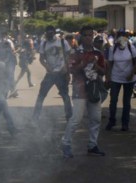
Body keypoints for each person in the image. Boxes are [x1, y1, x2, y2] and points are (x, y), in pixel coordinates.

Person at [61, 26, 106, 158]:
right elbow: (71, 70)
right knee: (76, 119)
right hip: (79, 89)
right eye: (86, 35)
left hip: (94, 89)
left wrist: (96, 65)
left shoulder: (98, 53)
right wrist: (84, 63)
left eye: (91, 35)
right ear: (81, 37)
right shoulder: (76, 52)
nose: (89, 38)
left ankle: (92, 145)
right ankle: (66, 144)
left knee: (96, 119)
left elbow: (103, 71)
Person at [31, 25, 73, 122]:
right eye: (47, 32)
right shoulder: (44, 43)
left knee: (65, 96)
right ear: (46, 33)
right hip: (50, 74)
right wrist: (47, 67)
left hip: (61, 73)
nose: (49, 34)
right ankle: (35, 117)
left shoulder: (62, 41)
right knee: (41, 95)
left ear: (54, 32)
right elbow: (41, 59)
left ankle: (69, 117)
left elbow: (69, 55)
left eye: (51, 32)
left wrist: (66, 69)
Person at [105, 29, 136, 131]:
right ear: (116, 39)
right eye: (120, 37)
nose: (122, 39)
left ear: (126, 39)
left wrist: (131, 74)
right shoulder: (113, 49)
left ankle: (125, 123)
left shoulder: (131, 48)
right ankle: (112, 120)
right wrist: (108, 77)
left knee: (126, 102)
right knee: (113, 100)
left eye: (124, 37)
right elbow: (110, 64)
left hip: (129, 79)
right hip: (115, 78)